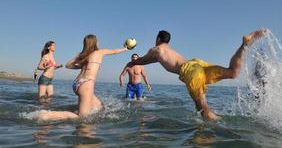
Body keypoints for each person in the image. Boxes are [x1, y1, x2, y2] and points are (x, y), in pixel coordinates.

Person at [127, 29, 267, 120]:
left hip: (191, 72)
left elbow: (143, 60)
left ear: (158, 39)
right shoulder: (168, 50)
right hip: (196, 64)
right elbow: (151, 61)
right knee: (232, 72)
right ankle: (244, 45)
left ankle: (217, 129)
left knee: (203, 108)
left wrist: (132, 62)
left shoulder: (156, 49)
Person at [38, 34, 129, 121]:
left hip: (77, 83)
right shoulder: (100, 52)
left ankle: (78, 111)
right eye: (97, 41)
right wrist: (125, 48)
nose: (98, 42)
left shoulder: (83, 54)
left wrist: (81, 66)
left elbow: (68, 65)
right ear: (94, 42)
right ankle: (47, 114)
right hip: (87, 84)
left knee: (99, 107)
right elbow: (114, 51)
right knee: (81, 117)